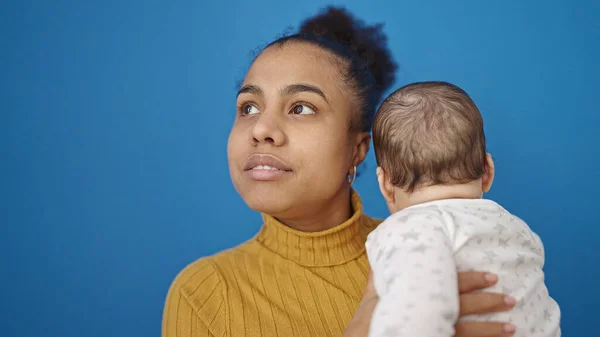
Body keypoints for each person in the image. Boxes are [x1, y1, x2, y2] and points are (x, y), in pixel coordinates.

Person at [162, 7, 516, 337]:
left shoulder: (445, 250)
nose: (260, 129)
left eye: (301, 107)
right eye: (249, 107)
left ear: (358, 150)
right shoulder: (204, 295)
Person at [364, 81, 561, 337]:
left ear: (385, 184)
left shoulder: (410, 229)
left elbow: (416, 318)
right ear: (487, 170)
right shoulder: (517, 229)